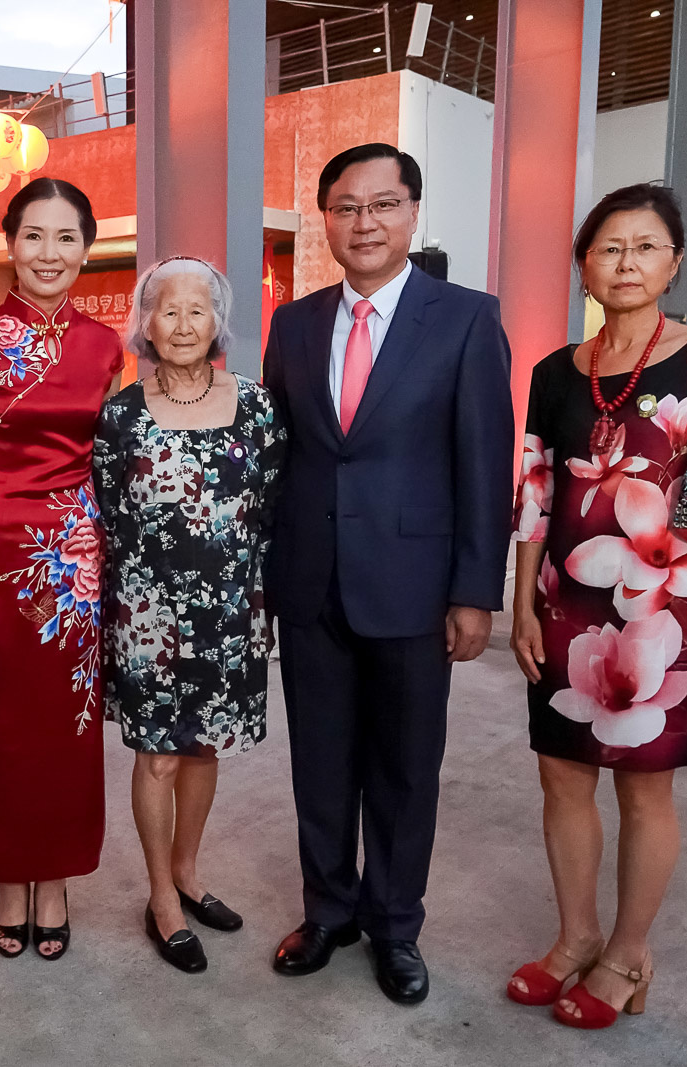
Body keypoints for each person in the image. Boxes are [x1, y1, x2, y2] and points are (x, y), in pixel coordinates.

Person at [508, 183, 687, 1030]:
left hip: (676, 607)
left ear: (675, 261)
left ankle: (628, 952)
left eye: (645, 246)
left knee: (644, 786)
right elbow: (537, 490)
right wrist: (522, 602)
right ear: (583, 265)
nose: (626, 263)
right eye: (608, 248)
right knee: (561, 775)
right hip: (567, 597)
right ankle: (574, 936)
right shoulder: (557, 371)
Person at [263, 143, 514, 1004]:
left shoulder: (467, 319)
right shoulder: (292, 325)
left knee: (406, 769)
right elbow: (282, 459)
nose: (362, 222)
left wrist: (476, 591)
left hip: (415, 587)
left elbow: (485, 464)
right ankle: (328, 910)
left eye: (381, 205)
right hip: (310, 584)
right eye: (344, 206)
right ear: (324, 218)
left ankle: (395, 925)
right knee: (320, 761)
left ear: (412, 213)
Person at [0, 178, 123, 961]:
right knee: (1, 728)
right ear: (11, 244)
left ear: (86, 248)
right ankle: (11, 877)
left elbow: (107, 463)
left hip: (74, 565)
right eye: (33, 236)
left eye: (66, 237)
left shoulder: (107, 347)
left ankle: (57, 877)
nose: (49, 253)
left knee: (68, 733)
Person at [93, 257, 284, 973]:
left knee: (206, 746)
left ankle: (189, 870)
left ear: (217, 321)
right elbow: (109, 512)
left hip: (229, 608)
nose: (181, 324)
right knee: (160, 753)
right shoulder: (121, 413)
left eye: (196, 310)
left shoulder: (258, 405)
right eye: (166, 310)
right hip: (147, 615)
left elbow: (269, 501)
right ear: (145, 322)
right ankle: (159, 898)